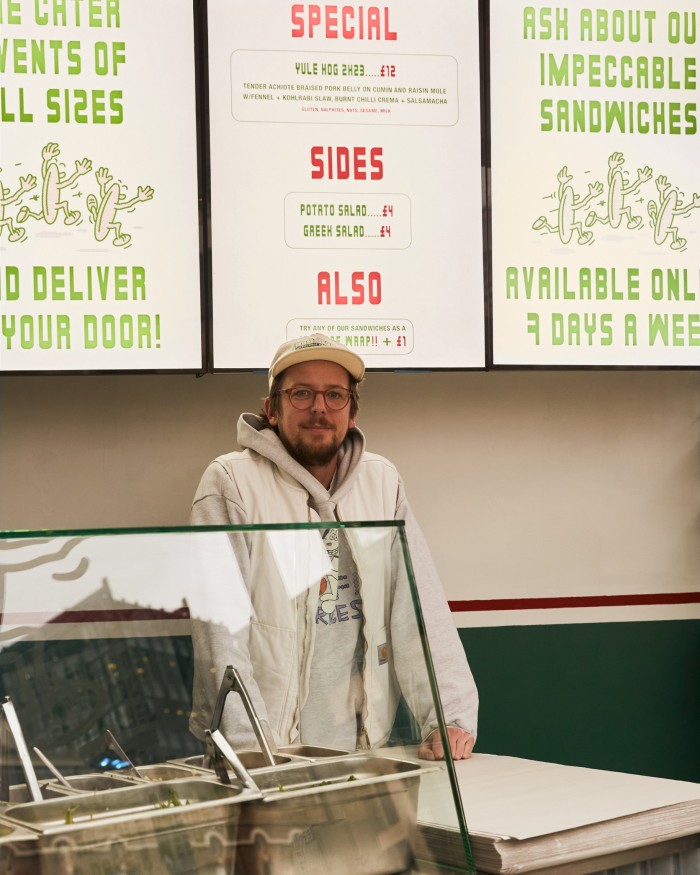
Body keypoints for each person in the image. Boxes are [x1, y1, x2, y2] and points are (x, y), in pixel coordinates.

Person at [189, 333, 478, 760]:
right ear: (272, 409)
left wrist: (449, 715)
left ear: (353, 412)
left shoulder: (382, 480)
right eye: (301, 393)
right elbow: (220, 633)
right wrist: (251, 750)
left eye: (335, 395)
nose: (319, 407)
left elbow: (418, 606)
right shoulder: (231, 481)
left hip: (366, 748)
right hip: (270, 753)